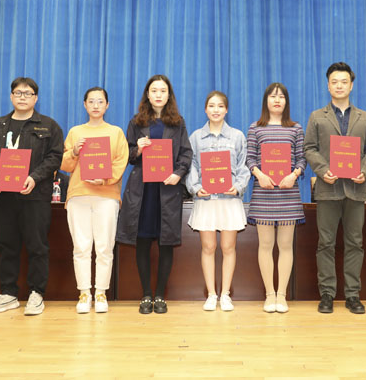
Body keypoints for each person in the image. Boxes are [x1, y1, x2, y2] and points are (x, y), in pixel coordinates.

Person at [0, 77, 64, 316]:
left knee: (37, 246)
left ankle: (37, 293)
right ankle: (8, 293)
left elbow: (55, 157)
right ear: (11, 96)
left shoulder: (48, 126)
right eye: (18, 93)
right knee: (7, 245)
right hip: (4, 197)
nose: (22, 97)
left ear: (36, 98)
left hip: (35, 196)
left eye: (28, 94)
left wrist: (35, 177)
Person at [304, 62, 366, 314]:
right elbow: (309, 148)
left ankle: (352, 295)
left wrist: (364, 171)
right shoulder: (317, 116)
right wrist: (322, 169)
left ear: (351, 85)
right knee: (325, 243)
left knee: (355, 243)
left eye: (344, 82)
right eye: (334, 82)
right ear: (328, 86)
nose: (339, 86)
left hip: (355, 190)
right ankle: (326, 294)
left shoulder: (364, 117)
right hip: (328, 189)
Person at [116, 75, 192, 315]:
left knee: (166, 242)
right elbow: (127, 154)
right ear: (147, 95)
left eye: (163, 90)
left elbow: (186, 154)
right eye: (154, 90)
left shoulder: (178, 123)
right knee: (142, 242)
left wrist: (178, 174)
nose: (158, 94)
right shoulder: (136, 122)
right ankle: (146, 295)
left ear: (169, 95)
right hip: (143, 191)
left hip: (167, 189)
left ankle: (160, 295)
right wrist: (138, 149)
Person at [60, 87, 128, 314]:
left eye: (100, 101)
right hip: (78, 195)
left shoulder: (116, 132)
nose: (96, 105)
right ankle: (84, 293)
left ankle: (100, 293)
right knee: (81, 247)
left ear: (107, 105)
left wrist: (104, 179)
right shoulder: (75, 132)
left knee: (104, 246)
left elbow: (120, 162)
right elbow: (64, 164)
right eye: (91, 101)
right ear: (85, 105)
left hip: (106, 196)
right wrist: (74, 152)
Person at [186, 91, 250, 312]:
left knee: (228, 247)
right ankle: (211, 294)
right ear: (205, 109)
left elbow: (244, 167)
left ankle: (225, 295)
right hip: (206, 200)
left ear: (226, 110)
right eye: (212, 106)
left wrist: (238, 186)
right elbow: (191, 167)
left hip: (229, 200)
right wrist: (196, 188)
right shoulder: (196, 137)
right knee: (208, 247)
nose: (216, 110)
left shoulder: (237, 136)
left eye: (220, 106)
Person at [246, 83, 306, 313]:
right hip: (264, 192)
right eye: (273, 96)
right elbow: (250, 158)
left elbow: (301, 159)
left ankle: (282, 295)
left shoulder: (295, 128)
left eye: (281, 97)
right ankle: (269, 294)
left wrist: (294, 175)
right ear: (266, 101)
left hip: (288, 192)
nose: (277, 100)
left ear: (286, 102)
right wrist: (259, 175)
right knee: (265, 245)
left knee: (285, 245)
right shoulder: (256, 128)